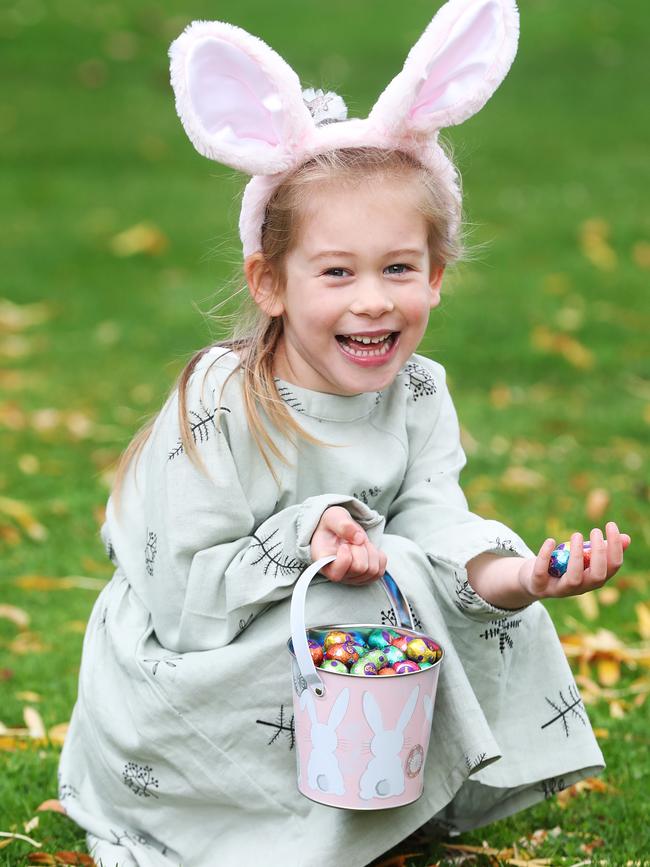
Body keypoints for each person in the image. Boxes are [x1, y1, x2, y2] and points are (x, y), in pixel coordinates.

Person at [58, 1, 631, 864]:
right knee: (365, 579)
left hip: (301, 656)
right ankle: (264, 819)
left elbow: (438, 526)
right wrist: (310, 534)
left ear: (436, 277)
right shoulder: (226, 400)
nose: (372, 299)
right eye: (336, 272)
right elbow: (181, 592)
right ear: (270, 283)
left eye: (399, 268)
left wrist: (523, 574)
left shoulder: (419, 390)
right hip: (180, 686)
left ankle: (375, 792)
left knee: (403, 564)